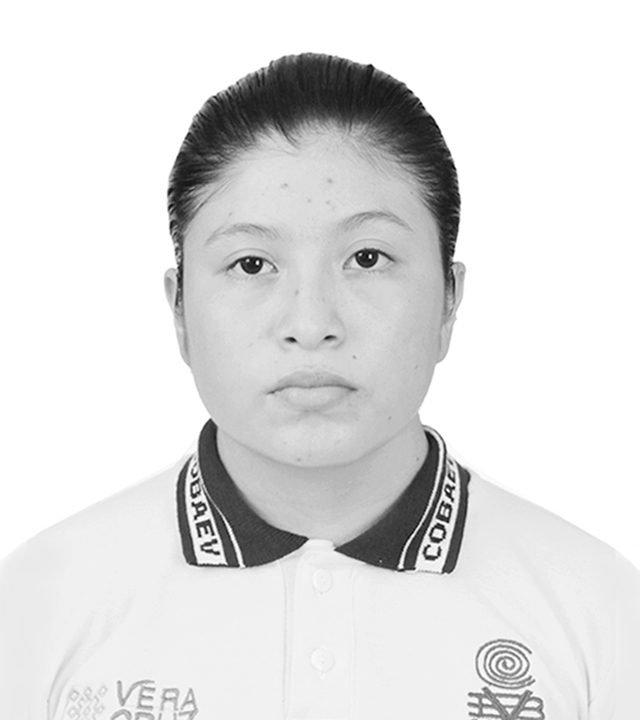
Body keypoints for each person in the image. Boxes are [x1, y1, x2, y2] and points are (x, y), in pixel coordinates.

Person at [1, 52, 638, 720]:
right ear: (180, 310)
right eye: (252, 264)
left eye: (367, 258)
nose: (310, 325)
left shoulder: (600, 612)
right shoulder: (39, 606)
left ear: (449, 301)